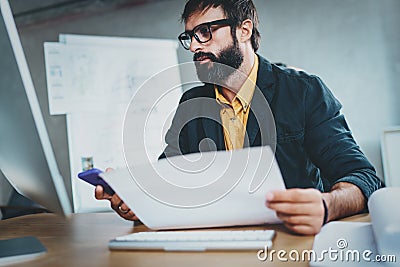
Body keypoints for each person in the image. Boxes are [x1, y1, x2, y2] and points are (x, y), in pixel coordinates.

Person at [95, 0, 382, 235]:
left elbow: (364, 178)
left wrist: (327, 204)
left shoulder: (304, 92)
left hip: (290, 245)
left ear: (244, 30)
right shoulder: (191, 105)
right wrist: (135, 199)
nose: (195, 46)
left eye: (205, 31)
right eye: (190, 36)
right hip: (215, 248)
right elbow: (167, 186)